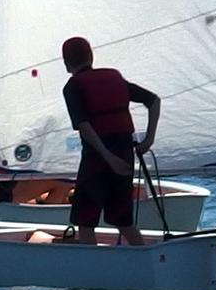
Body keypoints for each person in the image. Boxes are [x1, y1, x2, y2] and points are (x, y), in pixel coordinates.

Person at [60, 36, 160, 246]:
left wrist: (107, 157)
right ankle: (141, 261)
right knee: (123, 220)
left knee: (86, 222)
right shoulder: (114, 78)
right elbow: (153, 101)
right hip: (124, 152)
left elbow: (85, 128)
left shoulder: (72, 87)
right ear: (91, 56)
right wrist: (148, 140)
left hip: (98, 157)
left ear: (66, 64)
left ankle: (91, 270)